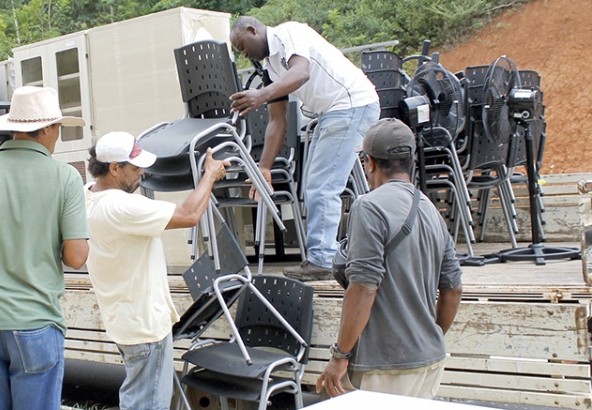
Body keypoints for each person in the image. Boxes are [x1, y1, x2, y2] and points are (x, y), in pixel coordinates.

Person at [0, 86, 90, 410]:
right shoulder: (65, 177)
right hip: (35, 320)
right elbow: (77, 257)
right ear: (49, 129)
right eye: (59, 128)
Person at [315, 118, 463, 399]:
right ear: (409, 160)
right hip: (429, 362)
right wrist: (428, 339)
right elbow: (453, 290)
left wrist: (340, 355)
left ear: (369, 163)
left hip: (383, 367)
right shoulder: (430, 209)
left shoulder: (369, 206)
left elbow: (363, 287)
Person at [84, 132, 229, 410]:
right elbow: (189, 215)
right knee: (148, 405)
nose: (142, 173)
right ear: (114, 168)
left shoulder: (88, 194)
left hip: (123, 319)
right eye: (135, 168)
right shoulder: (122, 206)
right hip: (144, 326)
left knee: (138, 399)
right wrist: (209, 175)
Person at [229, 16, 381, 281]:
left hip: (351, 104)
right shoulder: (271, 69)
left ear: (253, 30)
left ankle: (322, 258)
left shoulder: (289, 33)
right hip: (333, 112)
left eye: (243, 46)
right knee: (317, 183)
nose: (245, 54)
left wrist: (261, 95)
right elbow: (277, 122)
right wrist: (264, 167)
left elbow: (301, 72)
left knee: (321, 185)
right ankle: (327, 255)